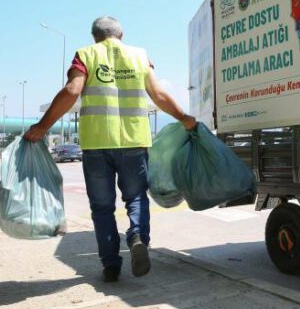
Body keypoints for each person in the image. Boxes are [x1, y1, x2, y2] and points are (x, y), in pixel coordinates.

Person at [25, 16, 196, 282]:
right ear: (121, 34)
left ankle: (111, 266)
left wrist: (43, 125)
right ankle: (138, 236)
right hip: (134, 142)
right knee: (136, 198)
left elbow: (72, 90)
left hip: (96, 144)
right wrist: (185, 118)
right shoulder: (140, 56)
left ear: (95, 36)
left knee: (102, 208)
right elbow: (158, 94)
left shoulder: (86, 54)